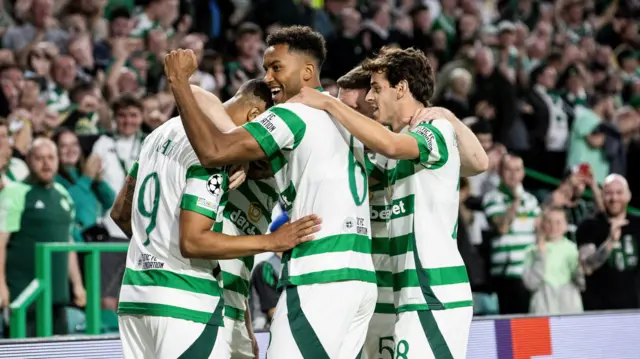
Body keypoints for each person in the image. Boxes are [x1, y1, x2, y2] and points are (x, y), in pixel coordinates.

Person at [164, 26, 378, 358]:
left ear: (307, 72)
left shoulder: (291, 114)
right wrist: (248, 160)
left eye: (276, 67)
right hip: (361, 277)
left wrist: (179, 83)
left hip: (321, 272)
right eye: (266, 68)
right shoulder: (345, 119)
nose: (268, 77)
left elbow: (213, 151)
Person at [289, 47, 488, 358]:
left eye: (377, 88)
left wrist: (327, 102)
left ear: (402, 88)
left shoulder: (435, 130)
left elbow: (400, 147)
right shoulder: (386, 148)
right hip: (393, 294)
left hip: (431, 293)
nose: (370, 97)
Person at [111, 80, 321, 359]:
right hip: (190, 301)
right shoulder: (213, 151)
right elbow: (194, 241)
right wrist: (272, 241)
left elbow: (121, 213)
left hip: (139, 296)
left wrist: (158, 247)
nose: (275, 155)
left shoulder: (161, 132)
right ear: (255, 119)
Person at [336, 65, 395, 359]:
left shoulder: (398, 147)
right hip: (344, 290)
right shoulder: (335, 149)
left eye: (348, 109)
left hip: (390, 295)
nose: (339, 117)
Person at [0, 138, 85, 337]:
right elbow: (1, 242)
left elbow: (68, 242)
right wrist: (1, 285)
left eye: (51, 158)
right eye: (39, 158)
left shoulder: (63, 194)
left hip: (58, 296)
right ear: (28, 160)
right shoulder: (14, 193)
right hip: (23, 296)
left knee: (57, 352)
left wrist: (78, 285)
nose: (46, 164)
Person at [483, 154, 541, 314]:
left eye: (518, 170)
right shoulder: (492, 198)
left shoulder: (531, 200)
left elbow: (539, 232)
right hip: (505, 275)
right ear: (500, 172)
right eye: (509, 169)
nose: (514, 174)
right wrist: (515, 201)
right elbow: (502, 227)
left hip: (528, 273)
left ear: (523, 173)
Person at [576, 174, 640, 311]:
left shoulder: (638, 224)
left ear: (628, 195)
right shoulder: (588, 226)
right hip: (599, 310)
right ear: (602, 196)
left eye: (619, 192)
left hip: (633, 310)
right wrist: (610, 241)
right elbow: (587, 267)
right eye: (609, 193)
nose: (614, 198)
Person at [522, 207, 584, 315]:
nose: (553, 227)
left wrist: (579, 268)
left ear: (565, 226)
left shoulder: (573, 249)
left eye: (558, 222)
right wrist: (540, 254)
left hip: (570, 311)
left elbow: (581, 283)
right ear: (542, 224)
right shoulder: (531, 251)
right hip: (542, 311)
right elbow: (531, 284)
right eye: (549, 222)